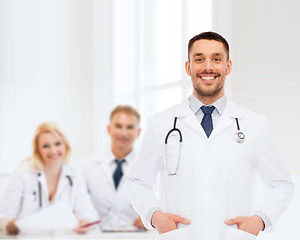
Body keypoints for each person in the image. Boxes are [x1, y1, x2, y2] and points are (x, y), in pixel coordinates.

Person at [125, 31, 294, 240]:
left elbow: (281, 184)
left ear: (228, 67)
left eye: (216, 59)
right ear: (188, 67)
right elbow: (136, 182)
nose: (208, 67)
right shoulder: (160, 124)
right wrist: (154, 215)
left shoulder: (254, 125)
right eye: (199, 59)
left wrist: (260, 220)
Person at [0, 122, 98, 234]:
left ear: (65, 145)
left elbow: (87, 210)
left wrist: (85, 221)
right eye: (46, 146)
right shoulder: (23, 173)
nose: (53, 151)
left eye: (58, 144)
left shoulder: (75, 173)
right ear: (38, 150)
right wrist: (8, 224)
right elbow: (2, 214)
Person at [81, 105, 145, 231]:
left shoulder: (149, 165)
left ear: (138, 132)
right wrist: (84, 218)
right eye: (118, 126)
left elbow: (161, 203)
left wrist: (152, 218)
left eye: (130, 127)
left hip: (136, 235)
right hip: (97, 235)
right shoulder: (86, 166)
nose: (124, 133)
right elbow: (80, 203)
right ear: (109, 129)